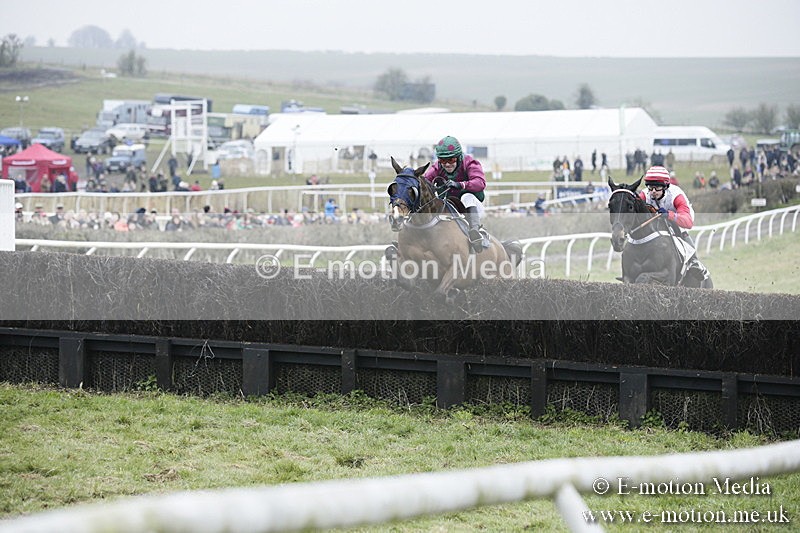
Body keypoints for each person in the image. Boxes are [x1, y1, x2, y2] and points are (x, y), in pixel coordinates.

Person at [638, 165, 709, 282]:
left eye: (657, 188)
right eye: (650, 188)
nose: (653, 192)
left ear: (665, 186)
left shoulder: (676, 195)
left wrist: (670, 215)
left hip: (680, 217)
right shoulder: (645, 195)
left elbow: (688, 222)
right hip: (658, 219)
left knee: (681, 230)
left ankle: (694, 261)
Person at [422, 135, 489, 251]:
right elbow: (424, 181)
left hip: (471, 207)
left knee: (466, 196)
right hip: (450, 206)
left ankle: (475, 232)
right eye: (443, 160)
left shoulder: (471, 163)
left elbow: (480, 182)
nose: (447, 164)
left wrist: (460, 185)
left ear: (458, 157)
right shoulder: (437, 167)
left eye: (451, 160)